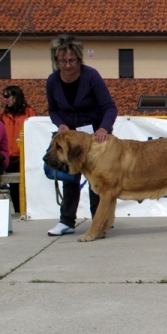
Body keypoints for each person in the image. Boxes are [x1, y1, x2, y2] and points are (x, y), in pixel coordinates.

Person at [46, 34, 118, 236]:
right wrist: (60, 124)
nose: (68, 65)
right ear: (56, 61)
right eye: (63, 61)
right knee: (70, 177)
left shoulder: (91, 76)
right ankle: (66, 220)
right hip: (70, 138)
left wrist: (103, 128)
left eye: (72, 60)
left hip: (96, 136)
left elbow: (109, 107)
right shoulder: (52, 81)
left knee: (98, 179)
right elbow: (52, 110)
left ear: (79, 59)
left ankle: (100, 220)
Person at [0, 86, 36, 214]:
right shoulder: (3, 115)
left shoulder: (29, 113)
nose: (5, 100)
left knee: (27, 186)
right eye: (4, 97)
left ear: (16, 96)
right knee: (14, 188)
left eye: (7, 97)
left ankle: (28, 212)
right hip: (9, 156)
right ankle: (17, 213)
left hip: (24, 155)